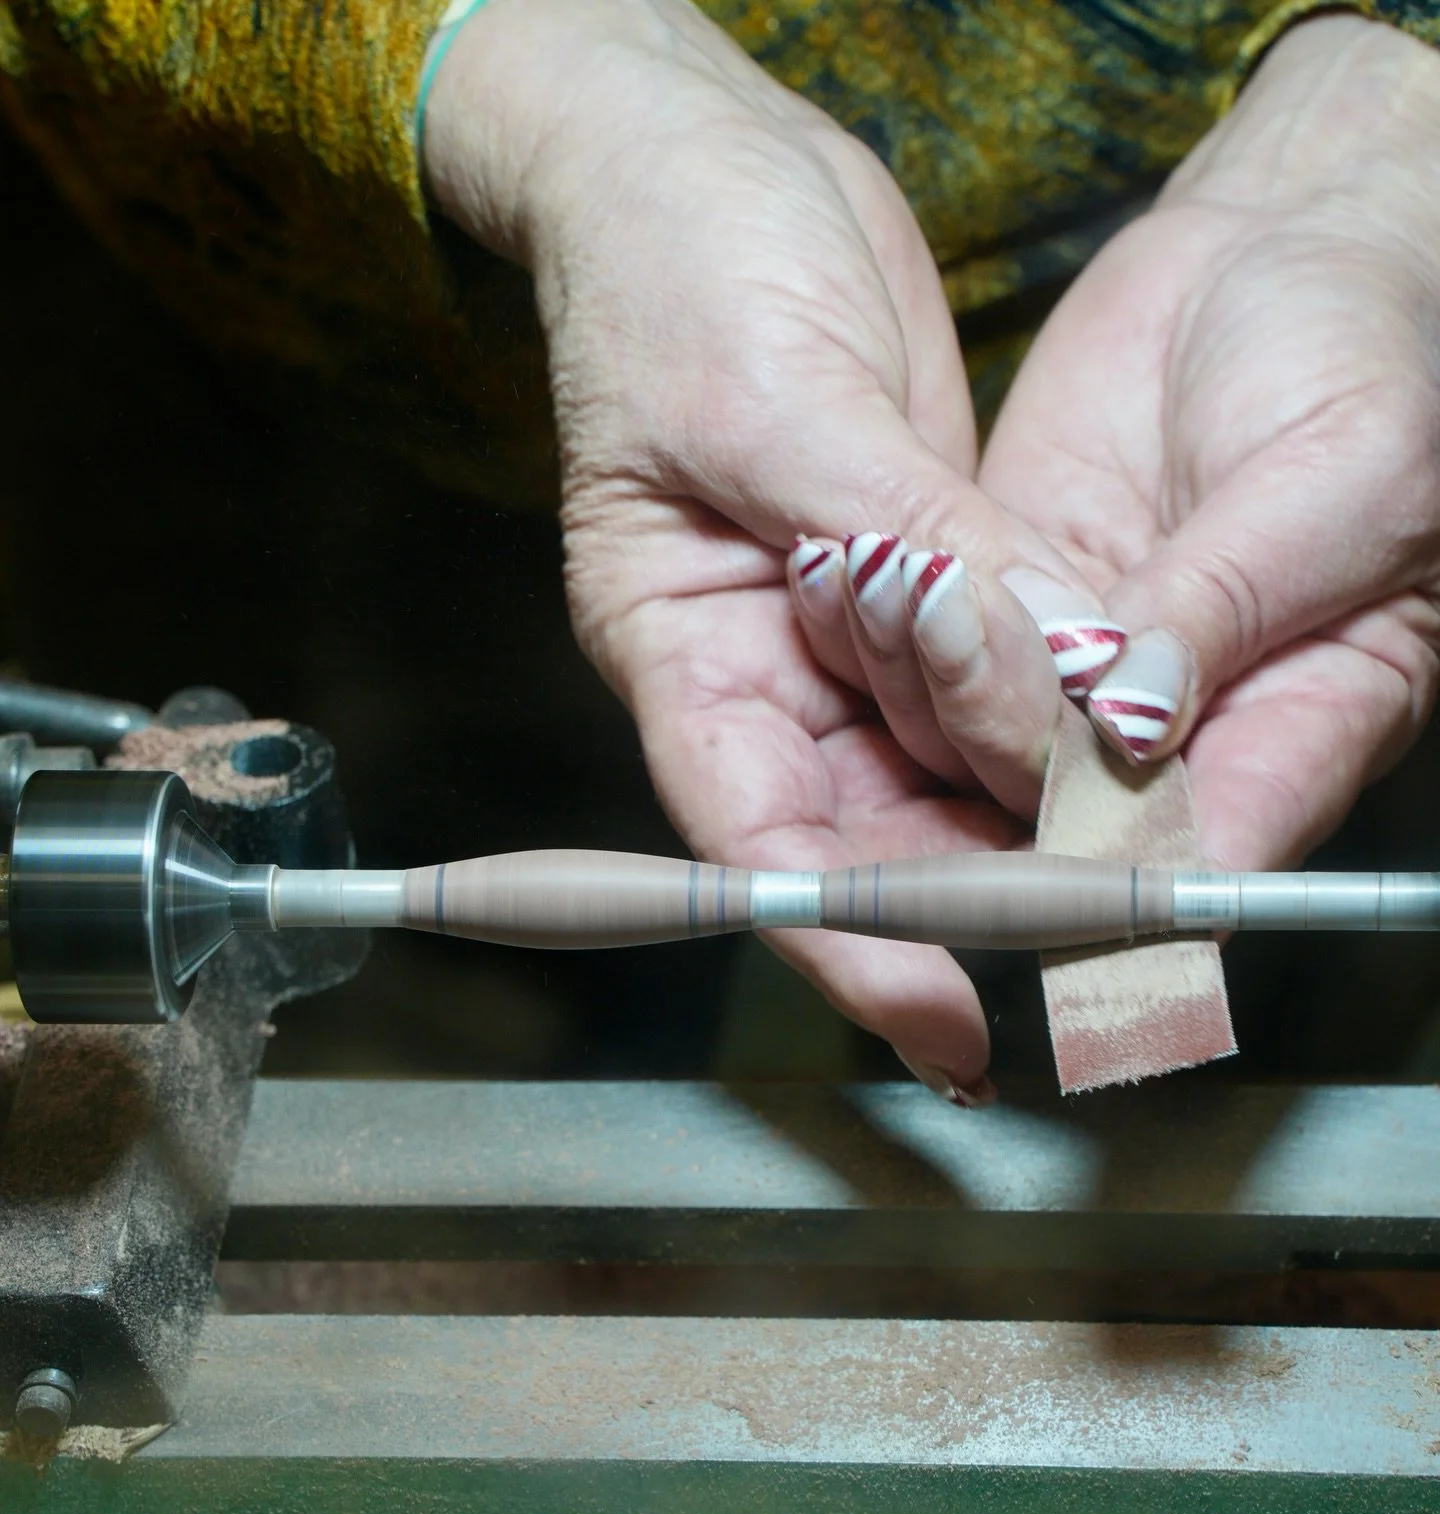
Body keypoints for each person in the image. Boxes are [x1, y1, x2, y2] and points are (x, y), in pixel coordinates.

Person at [4, 0, 1439, 1098]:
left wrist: (1388, 114)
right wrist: (577, 92)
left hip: (1200, 441)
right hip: (396, 334)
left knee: (1149, 1060)